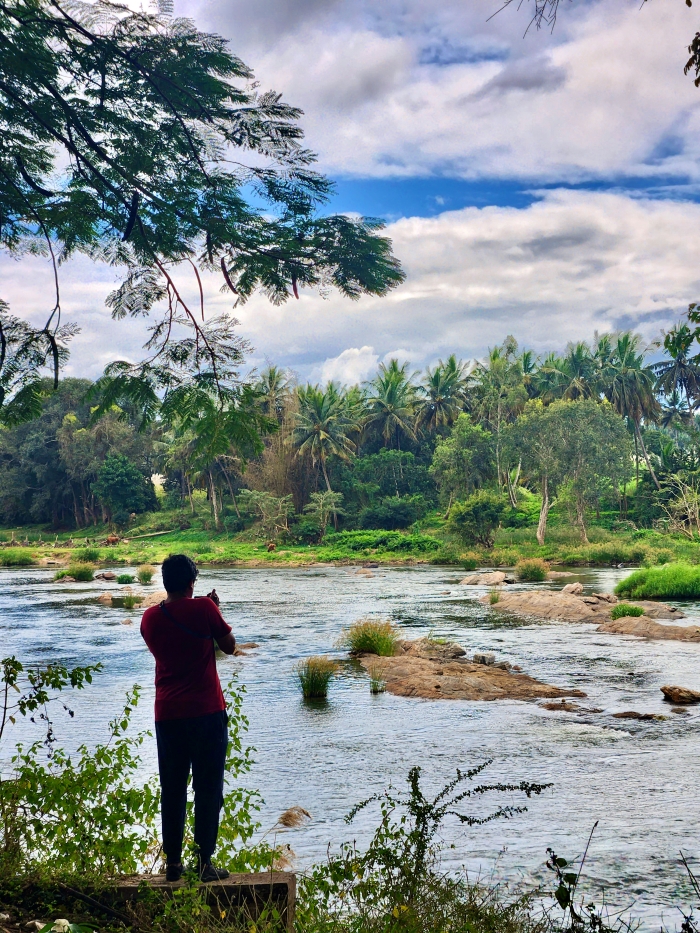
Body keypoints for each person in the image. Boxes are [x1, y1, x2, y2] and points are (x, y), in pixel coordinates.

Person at [140, 554, 236, 882]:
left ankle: (173, 864)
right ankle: (204, 863)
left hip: (167, 715)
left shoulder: (149, 619)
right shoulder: (205, 609)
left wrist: (201, 610)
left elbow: (170, 647)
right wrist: (213, 610)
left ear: (165, 582)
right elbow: (229, 647)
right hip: (207, 712)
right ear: (191, 582)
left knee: (173, 789)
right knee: (208, 788)